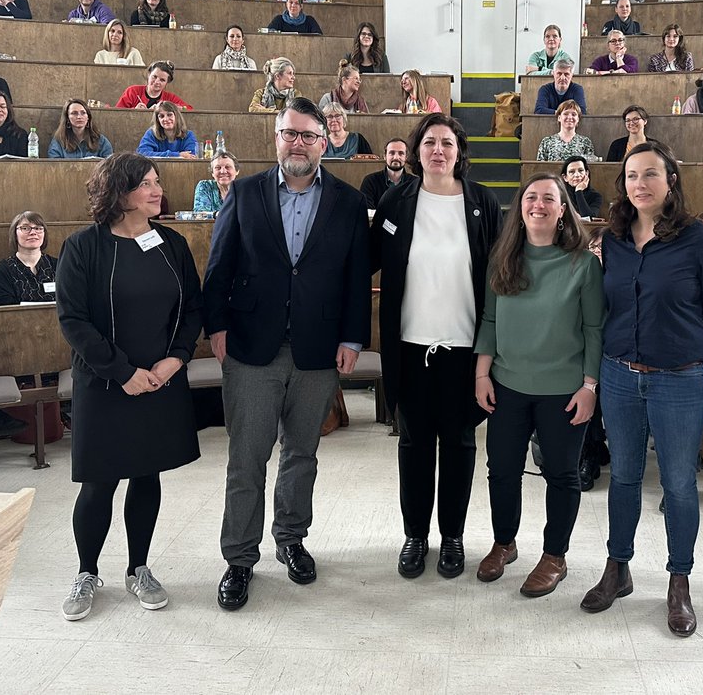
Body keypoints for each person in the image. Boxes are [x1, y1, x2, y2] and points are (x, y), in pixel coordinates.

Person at [205, 97, 369, 608]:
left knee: (302, 454)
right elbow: (220, 265)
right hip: (253, 347)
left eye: (307, 135)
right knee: (247, 457)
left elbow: (356, 278)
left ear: (325, 142)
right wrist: (216, 327)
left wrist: (352, 337)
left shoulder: (345, 200)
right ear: (276, 137)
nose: (297, 143)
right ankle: (239, 558)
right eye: (288, 133)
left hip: (318, 350)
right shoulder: (247, 192)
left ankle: (291, 540)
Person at [581, 142, 703, 635]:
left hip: (681, 378)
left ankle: (679, 580)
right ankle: (617, 567)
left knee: (678, 484)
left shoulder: (698, 240)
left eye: (650, 174)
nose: (639, 184)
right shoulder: (616, 239)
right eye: (631, 176)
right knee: (623, 476)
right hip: (620, 375)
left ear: (671, 180)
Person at [56, 153, 203, 621]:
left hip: (160, 380)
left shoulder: (172, 244)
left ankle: (139, 567)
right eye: (146, 184)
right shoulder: (83, 247)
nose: (157, 190)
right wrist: (122, 372)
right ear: (119, 193)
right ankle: (86, 571)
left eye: (158, 181)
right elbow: (73, 320)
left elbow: (192, 309)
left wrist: (176, 358)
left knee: (147, 475)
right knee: (99, 483)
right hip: (105, 384)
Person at [369, 111, 502, 580]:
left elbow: (500, 280)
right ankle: (415, 535)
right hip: (410, 348)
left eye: (447, 143)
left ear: (459, 151)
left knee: (461, 445)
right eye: (429, 143)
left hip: (465, 352)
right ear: (416, 150)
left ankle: (453, 536)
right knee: (414, 446)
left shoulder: (482, 201)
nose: (438, 151)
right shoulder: (396, 202)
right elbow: (367, 260)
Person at [474, 174, 603, 598]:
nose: (539, 205)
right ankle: (504, 542)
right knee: (502, 471)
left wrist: (590, 387)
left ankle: (554, 556)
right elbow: (490, 320)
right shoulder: (503, 257)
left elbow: (593, 328)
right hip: (508, 382)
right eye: (531, 197)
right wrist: (481, 374)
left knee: (562, 474)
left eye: (550, 198)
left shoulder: (582, 263)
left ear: (563, 208)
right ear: (520, 206)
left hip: (564, 389)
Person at [0, 210, 57, 306]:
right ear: (15, 234)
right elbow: (3, 311)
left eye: (38, 228)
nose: (33, 232)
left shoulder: (59, 266)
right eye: (25, 228)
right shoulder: (1, 271)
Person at [116, 62, 193, 110]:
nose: (157, 82)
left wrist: (178, 108)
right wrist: (135, 110)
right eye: (154, 77)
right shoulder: (132, 91)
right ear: (149, 75)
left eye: (162, 80)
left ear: (167, 82)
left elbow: (189, 109)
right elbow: (117, 111)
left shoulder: (170, 98)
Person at [360, 138, 407, 209]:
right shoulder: (370, 181)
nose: (396, 157)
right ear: (385, 156)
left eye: (401, 153)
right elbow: (367, 210)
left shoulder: (415, 183)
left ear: (406, 157)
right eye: (392, 153)